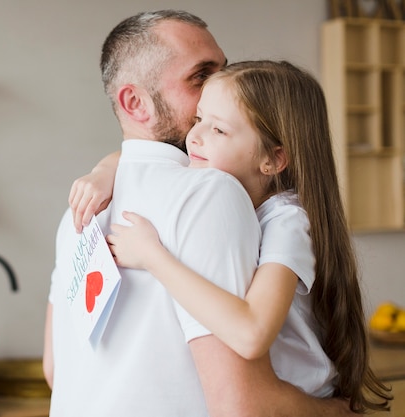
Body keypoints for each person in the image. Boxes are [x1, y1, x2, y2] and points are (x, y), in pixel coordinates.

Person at [44, 9, 359, 417]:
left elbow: (56, 370)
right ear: (134, 102)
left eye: (222, 72)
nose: (220, 90)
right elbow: (242, 404)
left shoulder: (77, 214)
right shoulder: (210, 192)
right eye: (200, 77)